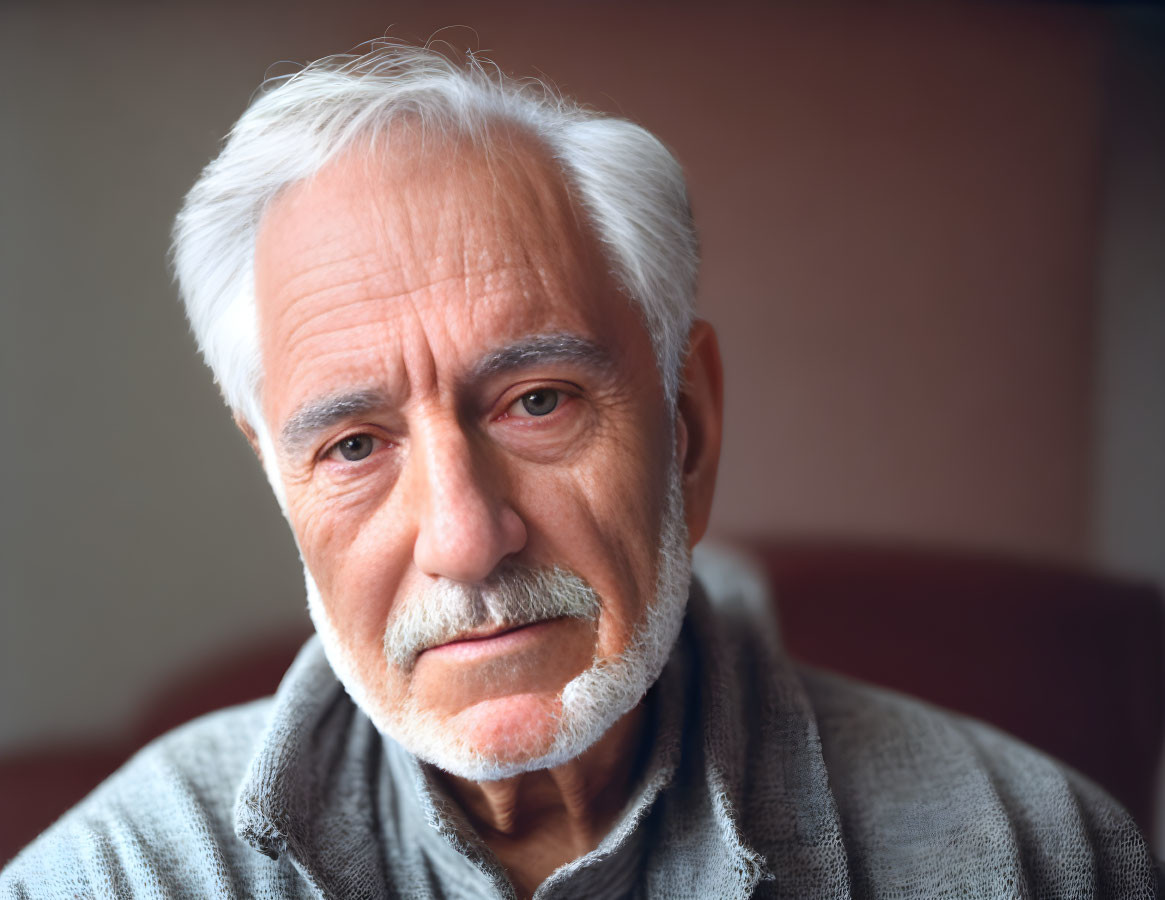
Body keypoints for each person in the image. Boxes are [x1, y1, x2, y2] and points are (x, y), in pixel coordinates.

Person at [2, 41, 1157, 900]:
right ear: (284, 486)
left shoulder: (1034, 856)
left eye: (537, 402)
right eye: (354, 445)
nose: (464, 539)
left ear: (687, 425)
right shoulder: (121, 877)